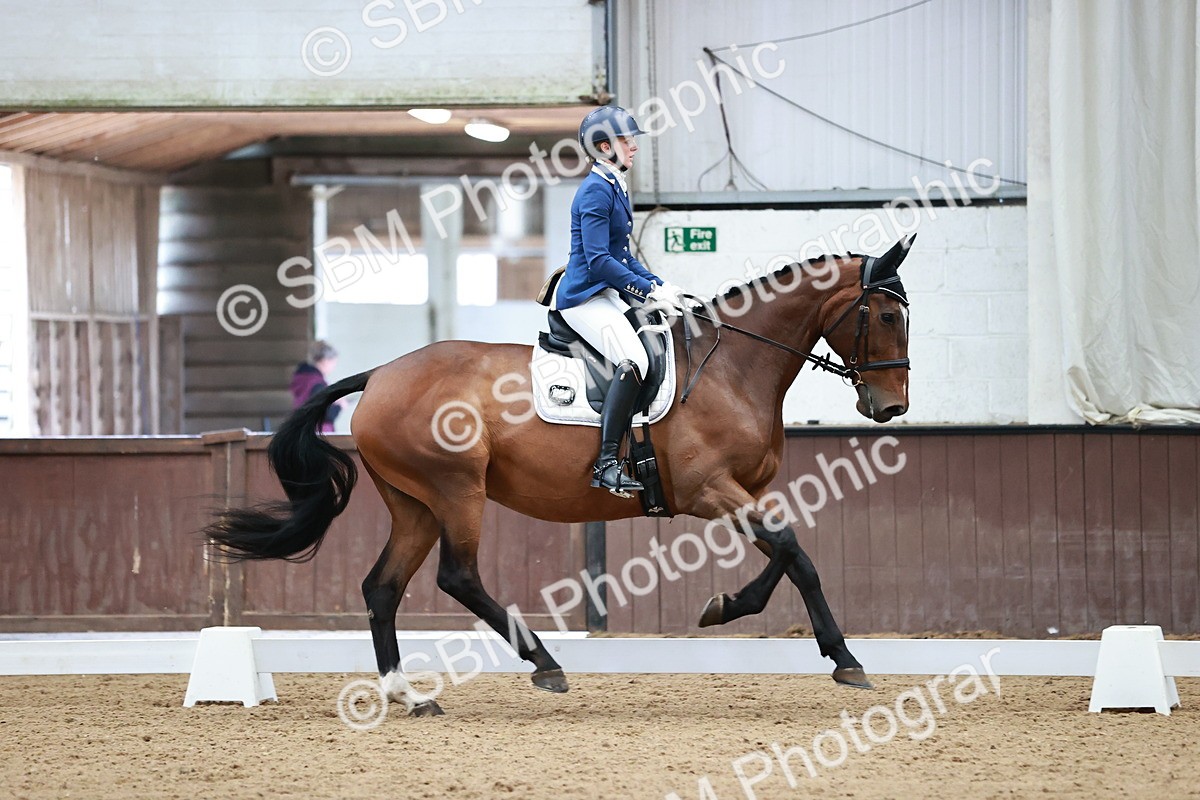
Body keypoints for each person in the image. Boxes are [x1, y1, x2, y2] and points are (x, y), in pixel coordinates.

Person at [553, 106, 686, 497]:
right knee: (635, 359)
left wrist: (660, 285)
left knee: (655, 335)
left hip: (605, 292)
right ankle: (606, 464)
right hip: (582, 299)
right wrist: (646, 292)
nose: (635, 148)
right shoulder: (595, 191)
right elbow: (599, 260)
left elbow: (622, 255)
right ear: (605, 146)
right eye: (629, 141)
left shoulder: (614, 185)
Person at [290, 340, 343, 433]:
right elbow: (324, 413)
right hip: (317, 434)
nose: (333, 367)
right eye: (333, 362)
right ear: (325, 361)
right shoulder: (317, 384)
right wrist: (339, 406)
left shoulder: (303, 379)